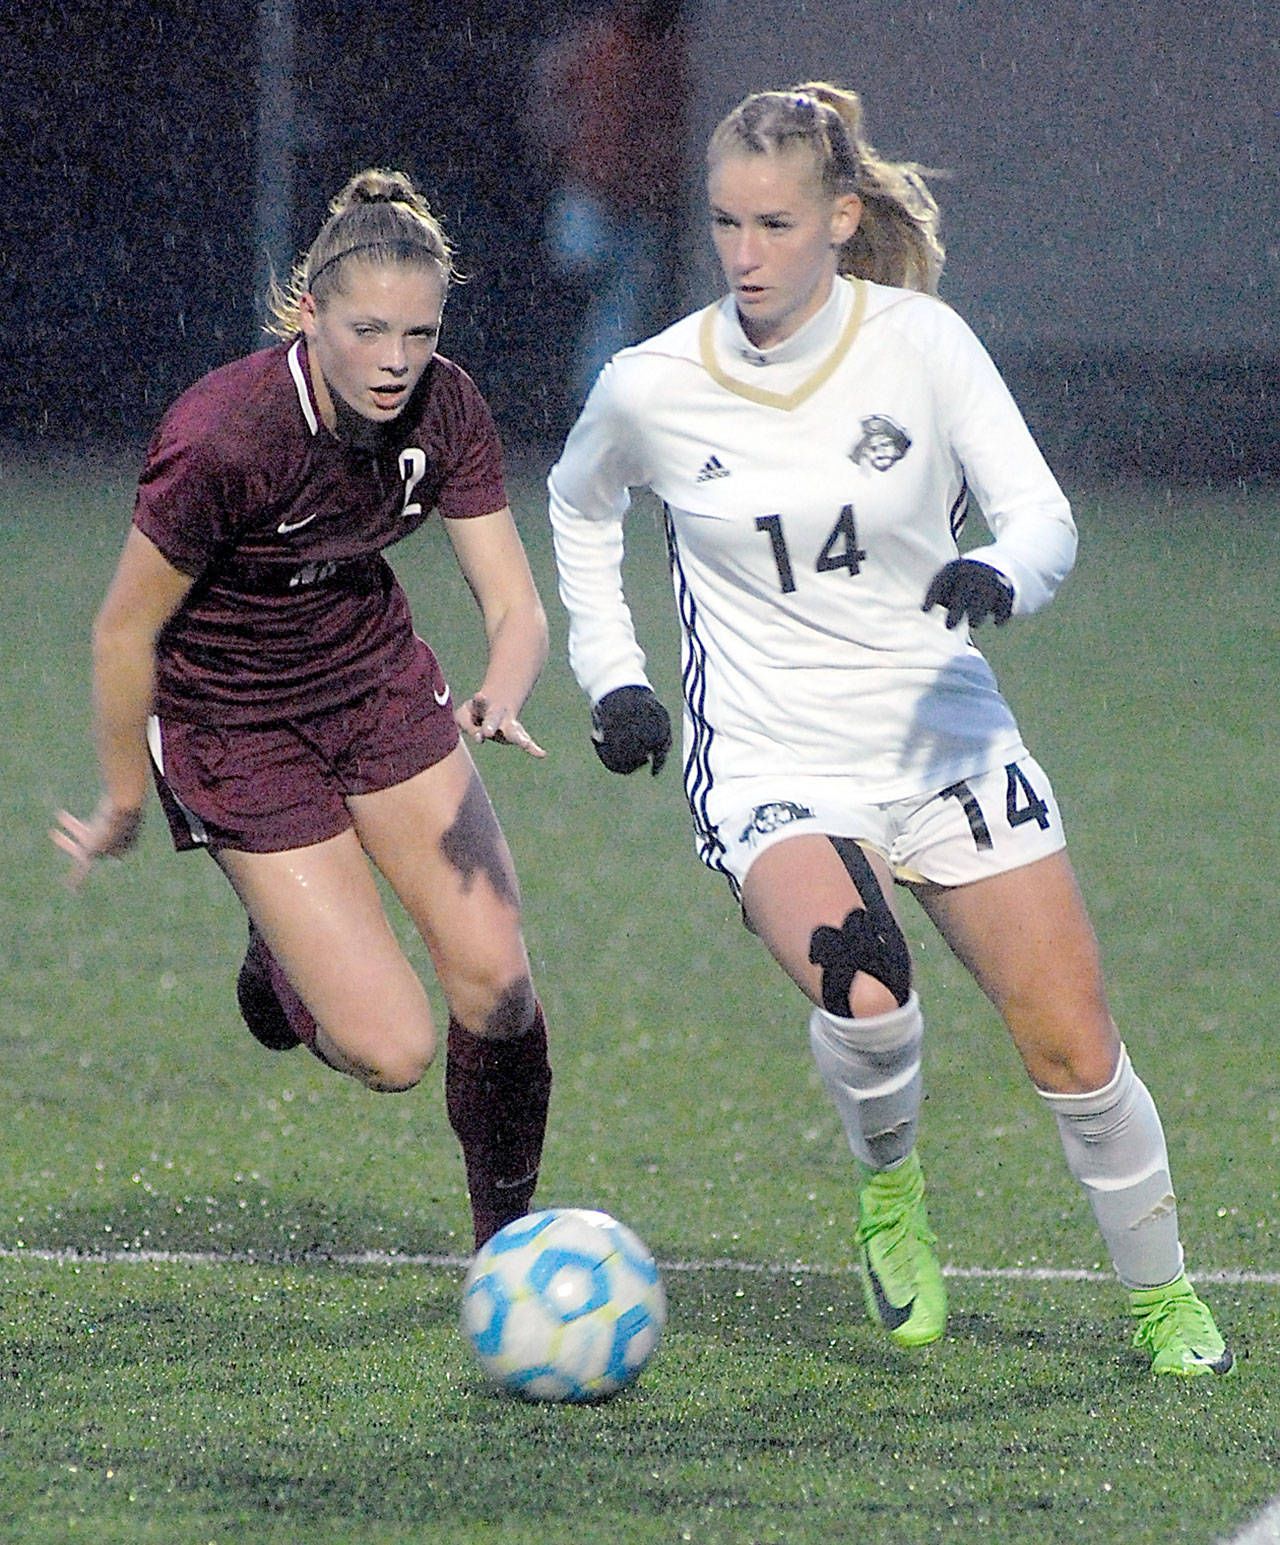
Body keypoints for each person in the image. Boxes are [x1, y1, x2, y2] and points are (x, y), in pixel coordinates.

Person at [547, 84, 1232, 1375]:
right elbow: (580, 506)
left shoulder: (922, 343)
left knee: (1077, 1051)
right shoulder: (653, 385)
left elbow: (1042, 516)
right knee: (869, 987)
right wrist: (615, 676)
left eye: (774, 224)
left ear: (840, 217)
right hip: (772, 758)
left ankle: (1163, 1300)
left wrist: (999, 574)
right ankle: (891, 1191)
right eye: (724, 224)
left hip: (944, 741)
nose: (744, 255)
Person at [53, 169, 553, 1253]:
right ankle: (279, 980)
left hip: (373, 685)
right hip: (234, 728)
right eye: (368, 329)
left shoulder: (446, 403)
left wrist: (502, 685)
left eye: (418, 333)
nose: (394, 359)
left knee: (500, 988)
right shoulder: (225, 435)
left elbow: (513, 600)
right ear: (307, 313)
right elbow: (121, 631)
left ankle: (504, 1253)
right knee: (392, 1050)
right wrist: (126, 804)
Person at [525, 0, 690, 412]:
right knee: (589, 298)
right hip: (589, 199)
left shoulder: (664, 55)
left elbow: (664, 132)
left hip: (638, 207)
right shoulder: (591, 49)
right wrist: (570, 158)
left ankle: (601, 408)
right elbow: (547, 107)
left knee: (623, 313)